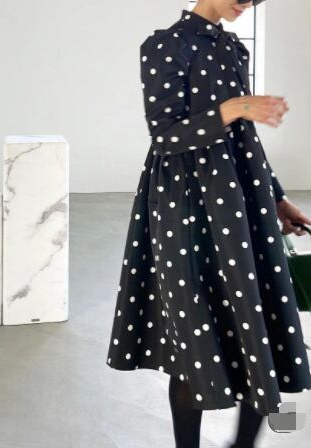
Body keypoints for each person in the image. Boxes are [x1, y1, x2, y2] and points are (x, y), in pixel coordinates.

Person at [106, 0, 311, 447]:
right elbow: (165, 136)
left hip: (243, 197)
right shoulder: (164, 45)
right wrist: (233, 108)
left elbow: (245, 137)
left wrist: (277, 197)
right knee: (193, 336)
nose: (246, 2)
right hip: (185, 204)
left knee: (258, 322)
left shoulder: (234, 48)